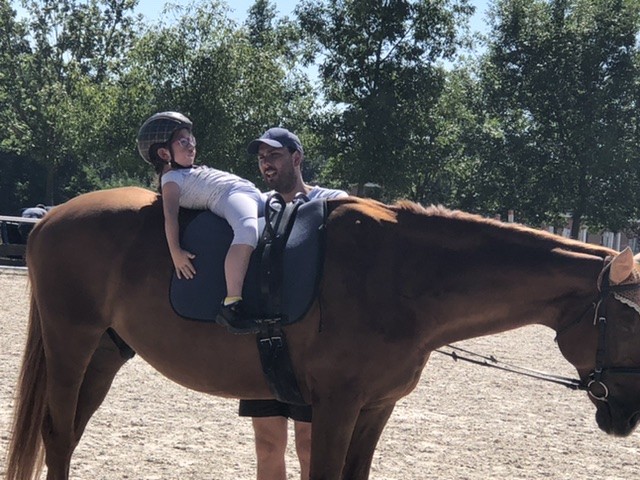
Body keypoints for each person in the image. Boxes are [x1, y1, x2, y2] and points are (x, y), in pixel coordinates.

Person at [241, 127, 348, 480]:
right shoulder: (257, 204)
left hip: (312, 347)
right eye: (261, 158)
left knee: (310, 445)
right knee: (266, 445)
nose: (266, 164)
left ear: (296, 158)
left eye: (274, 155)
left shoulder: (332, 201)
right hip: (264, 343)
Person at [136, 111, 262, 329]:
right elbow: (170, 216)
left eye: (191, 140)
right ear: (164, 153)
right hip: (229, 196)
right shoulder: (171, 179)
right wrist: (176, 252)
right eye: (183, 142)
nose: (191, 146)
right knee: (247, 229)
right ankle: (232, 303)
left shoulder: (191, 170)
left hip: (252, 194)